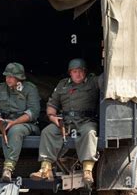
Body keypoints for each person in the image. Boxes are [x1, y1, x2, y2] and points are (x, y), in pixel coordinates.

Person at [30, 58, 101, 187]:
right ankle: (45, 169)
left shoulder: (93, 82)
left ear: (85, 72)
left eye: (80, 71)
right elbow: (52, 104)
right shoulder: (62, 85)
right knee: (47, 131)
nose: (78, 74)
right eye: (74, 71)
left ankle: (87, 170)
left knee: (89, 133)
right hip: (66, 122)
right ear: (70, 73)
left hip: (85, 121)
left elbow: (107, 79)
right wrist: (53, 117)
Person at [0, 62, 40, 182]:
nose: (8, 79)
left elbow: (33, 112)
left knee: (15, 131)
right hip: (2, 122)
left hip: (24, 124)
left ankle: (8, 168)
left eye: (11, 77)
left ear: (19, 78)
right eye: (7, 76)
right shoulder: (0, 88)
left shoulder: (30, 89)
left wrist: (14, 122)